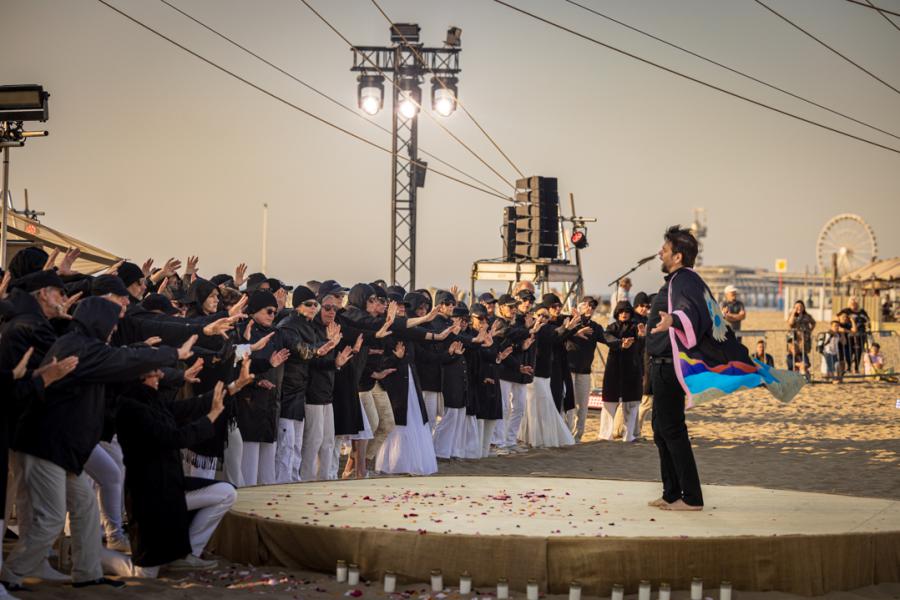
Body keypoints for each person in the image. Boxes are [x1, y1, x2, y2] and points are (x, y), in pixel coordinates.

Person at [1, 298, 193, 590]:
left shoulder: (83, 345)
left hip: (61, 449)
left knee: (85, 506)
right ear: (98, 321)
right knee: (52, 518)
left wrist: (162, 359)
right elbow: (122, 360)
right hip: (45, 446)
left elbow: (123, 361)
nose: (114, 329)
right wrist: (172, 353)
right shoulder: (78, 347)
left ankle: (87, 574)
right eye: (112, 323)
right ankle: (12, 575)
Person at [645, 226, 704, 512]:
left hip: (670, 366)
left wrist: (675, 321)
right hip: (659, 366)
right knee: (660, 429)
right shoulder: (674, 281)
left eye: (665, 250)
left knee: (672, 429)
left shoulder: (685, 281)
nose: (660, 252)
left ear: (678, 256)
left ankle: (691, 497)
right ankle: (671, 493)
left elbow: (692, 311)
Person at [518, 302, 576, 448]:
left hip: (544, 374)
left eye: (546, 316)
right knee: (531, 407)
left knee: (544, 406)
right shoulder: (528, 329)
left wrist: (568, 328)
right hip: (531, 373)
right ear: (534, 315)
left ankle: (540, 438)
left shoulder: (549, 329)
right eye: (540, 315)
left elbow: (557, 335)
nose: (542, 318)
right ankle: (530, 438)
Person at [598, 302, 644, 442]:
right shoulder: (612, 327)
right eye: (621, 311)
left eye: (627, 311)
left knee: (631, 403)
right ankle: (606, 434)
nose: (624, 314)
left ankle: (629, 435)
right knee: (609, 403)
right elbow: (607, 338)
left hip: (632, 368)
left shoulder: (637, 327)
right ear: (617, 313)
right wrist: (620, 343)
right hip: (614, 368)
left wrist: (642, 336)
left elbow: (643, 347)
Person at [563, 296, 606, 442]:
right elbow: (560, 333)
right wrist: (575, 324)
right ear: (580, 306)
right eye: (587, 305)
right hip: (569, 369)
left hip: (585, 370)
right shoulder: (570, 321)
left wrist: (621, 343)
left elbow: (607, 338)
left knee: (583, 406)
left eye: (593, 307)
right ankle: (567, 435)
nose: (590, 309)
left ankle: (578, 436)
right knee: (569, 405)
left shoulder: (595, 327)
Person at [838, 297, 870, 374]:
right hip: (849, 335)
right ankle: (849, 367)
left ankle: (856, 368)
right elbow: (837, 321)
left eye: (855, 302)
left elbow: (868, 321)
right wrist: (844, 330)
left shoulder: (862, 311)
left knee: (858, 352)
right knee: (849, 351)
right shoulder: (845, 311)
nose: (854, 304)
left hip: (861, 335)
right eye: (852, 302)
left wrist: (869, 327)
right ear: (849, 303)